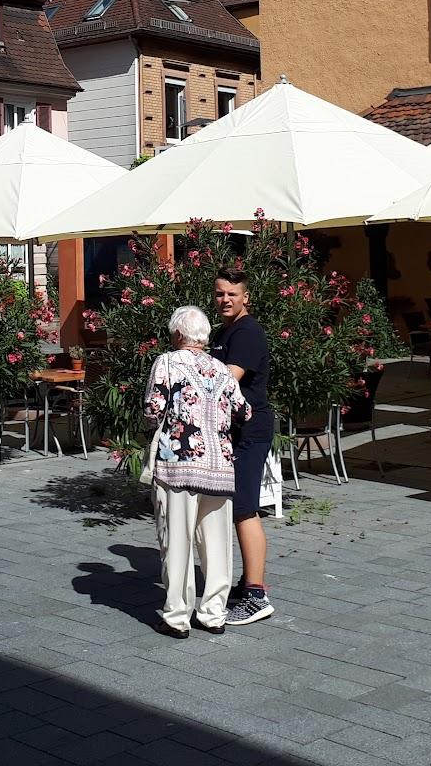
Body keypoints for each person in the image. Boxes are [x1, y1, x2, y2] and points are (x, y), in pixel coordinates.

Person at [144, 305, 250, 638]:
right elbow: (243, 412)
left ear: (177, 334)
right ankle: (214, 614)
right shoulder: (221, 369)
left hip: (179, 465)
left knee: (177, 541)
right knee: (217, 544)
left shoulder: (167, 361)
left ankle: (177, 617)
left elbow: (152, 408)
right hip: (220, 466)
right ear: (203, 336)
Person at [213, 267, 275, 626]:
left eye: (232, 294)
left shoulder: (248, 332)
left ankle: (256, 594)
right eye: (220, 293)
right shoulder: (227, 331)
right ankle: (244, 583)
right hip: (232, 431)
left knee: (244, 509)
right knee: (236, 508)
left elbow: (226, 380)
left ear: (246, 297)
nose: (225, 300)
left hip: (249, 431)